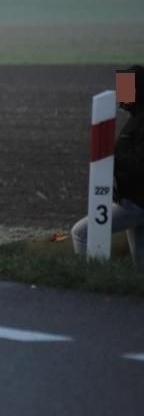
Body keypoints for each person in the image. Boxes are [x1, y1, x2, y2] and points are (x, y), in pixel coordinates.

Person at [71, 65, 144, 268]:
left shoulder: (140, 122)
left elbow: (137, 163)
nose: (122, 95)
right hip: (133, 199)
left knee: (82, 233)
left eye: (126, 88)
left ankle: (95, 279)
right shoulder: (136, 120)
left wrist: (110, 159)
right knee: (140, 261)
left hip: (135, 202)